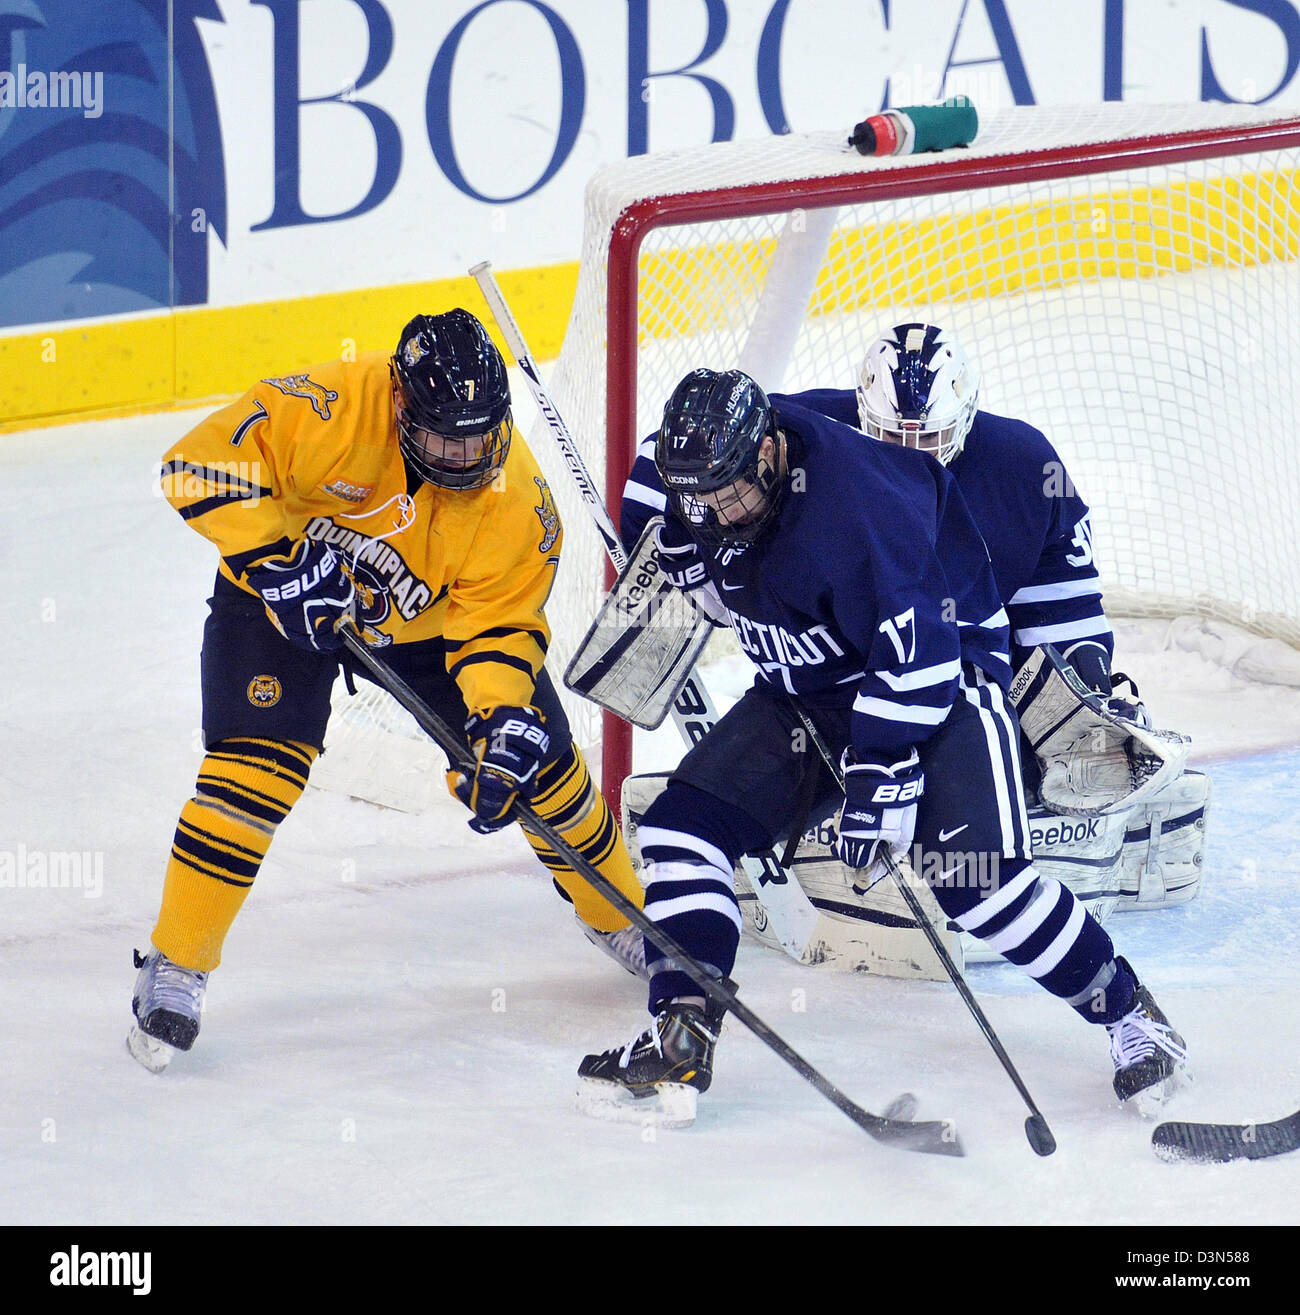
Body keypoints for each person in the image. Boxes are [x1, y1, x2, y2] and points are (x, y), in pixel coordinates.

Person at [577, 368, 1188, 1127]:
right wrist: (662, 540)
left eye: (732, 490)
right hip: (810, 693)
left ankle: (1132, 1014)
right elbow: (649, 476)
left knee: (977, 883)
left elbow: (923, 653)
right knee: (680, 830)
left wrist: (882, 772)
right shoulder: (704, 477)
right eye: (701, 497)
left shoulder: (853, 508)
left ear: (767, 449)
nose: (720, 510)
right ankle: (682, 1032)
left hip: (944, 680)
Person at [130, 308, 645, 1071]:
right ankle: (175, 964)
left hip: (435, 627)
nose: (467, 456)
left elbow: (497, 628)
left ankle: (620, 915)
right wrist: (279, 560)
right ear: (402, 404)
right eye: (446, 438)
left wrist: (500, 716)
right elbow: (193, 466)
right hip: (283, 605)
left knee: (541, 769)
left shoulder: (520, 504)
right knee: (252, 775)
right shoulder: (330, 406)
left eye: (480, 435)